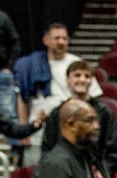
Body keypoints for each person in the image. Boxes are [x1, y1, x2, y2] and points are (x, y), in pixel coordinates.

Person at [14, 23, 102, 166]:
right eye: (57, 38)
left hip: (70, 133)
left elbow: (92, 99)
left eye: (64, 39)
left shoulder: (77, 64)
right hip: (38, 132)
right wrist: (24, 129)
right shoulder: (30, 65)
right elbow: (23, 98)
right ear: (46, 40)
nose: (61, 42)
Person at [41, 59, 117, 177]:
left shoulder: (104, 112)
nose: (82, 80)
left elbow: (115, 151)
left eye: (87, 76)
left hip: (94, 177)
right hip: (63, 175)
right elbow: (47, 148)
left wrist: (104, 172)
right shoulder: (56, 114)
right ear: (67, 80)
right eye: (77, 75)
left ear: (91, 81)